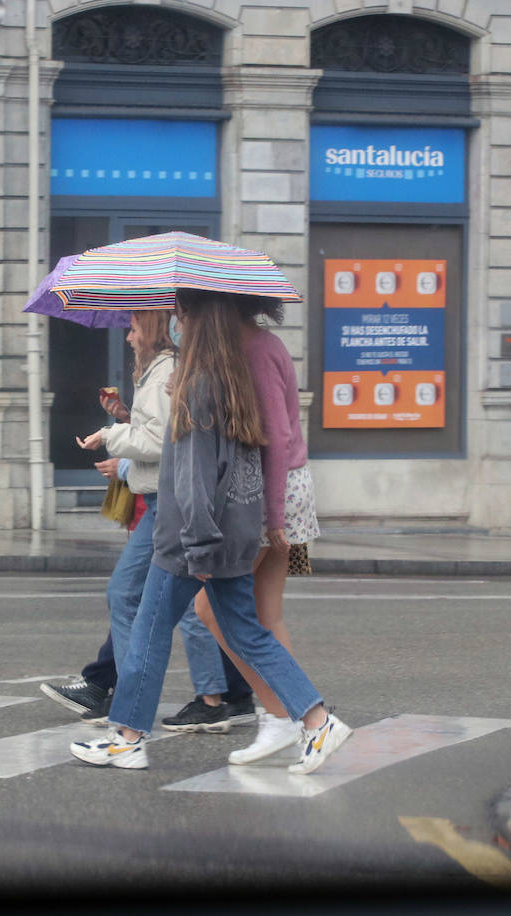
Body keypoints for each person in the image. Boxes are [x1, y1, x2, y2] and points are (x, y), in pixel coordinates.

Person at [69, 290, 352, 773]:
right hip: (234, 534)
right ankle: (317, 719)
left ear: (197, 322)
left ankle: (127, 738)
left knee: (149, 631)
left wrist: (197, 546)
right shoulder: (229, 379)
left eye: (180, 315)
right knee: (248, 632)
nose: (175, 324)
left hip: (190, 538)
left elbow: (197, 476)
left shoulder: (198, 387)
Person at [38, 311, 254, 733]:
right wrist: (124, 417)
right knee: (141, 596)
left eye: (134, 328)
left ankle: (193, 699)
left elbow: (162, 442)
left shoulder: (166, 373)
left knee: (180, 604)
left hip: (170, 504)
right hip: (165, 503)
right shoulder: (161, 373)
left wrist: (110, 436)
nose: (129, 338)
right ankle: (136, 691)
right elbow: (161, 431)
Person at [191, 294, 322, 763]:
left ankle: (283, 718)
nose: (182, 321)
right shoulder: (251, 348)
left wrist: (273, 519)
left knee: (212, 608)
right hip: (288, 494)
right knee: (266, 616)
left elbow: (278, 438)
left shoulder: (258, 351)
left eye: (188, 311)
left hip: (278, 497)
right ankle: (299, 721)